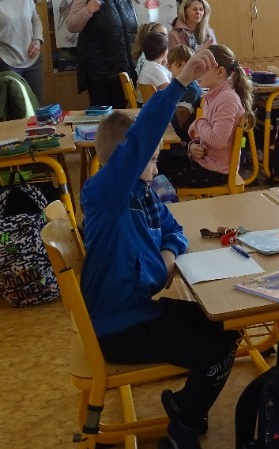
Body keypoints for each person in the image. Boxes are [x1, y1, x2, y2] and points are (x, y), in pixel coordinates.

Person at [80, 47, 239, 449]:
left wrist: (167, 258)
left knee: (225, 324)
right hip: (119, 327)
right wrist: (181, 81)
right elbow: (141, 138)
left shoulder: (143, 192)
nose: (155, 168)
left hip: (139, 308)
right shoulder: (107, 194)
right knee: (215, 352)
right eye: (150, 160)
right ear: (127, 163)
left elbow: (174, 229)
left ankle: (185, 405)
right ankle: (183, 426)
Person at [158, 45, 254, 188]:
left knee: (157, 170)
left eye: (202, 69)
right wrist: (192, 146)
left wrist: (198, 122)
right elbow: (204, 135)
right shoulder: (214, 94)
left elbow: (217, 140)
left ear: (220, 71)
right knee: (158, 161)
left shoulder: (227, 99)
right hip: (204, 163)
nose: (197, 74)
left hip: (215, 172)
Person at [65, 0, 138, 108]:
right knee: (103, 114)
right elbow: (71, 25)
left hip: (124, 67)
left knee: (121, 113)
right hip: (100, 72)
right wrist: (88, 10)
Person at [166, 44, 203, 140]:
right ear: (169, 66)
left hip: (180, 139)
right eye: (179, 65)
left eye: (188, 65)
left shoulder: (191, 91)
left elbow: (177, 122)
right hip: (170, 132)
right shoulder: (175, 85)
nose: (183, 69)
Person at [135, 31, 171, 103]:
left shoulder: (147, 64)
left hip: (147, 104)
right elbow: (170, 91)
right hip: (154, 105)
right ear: (164, 53)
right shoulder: (156, 69)